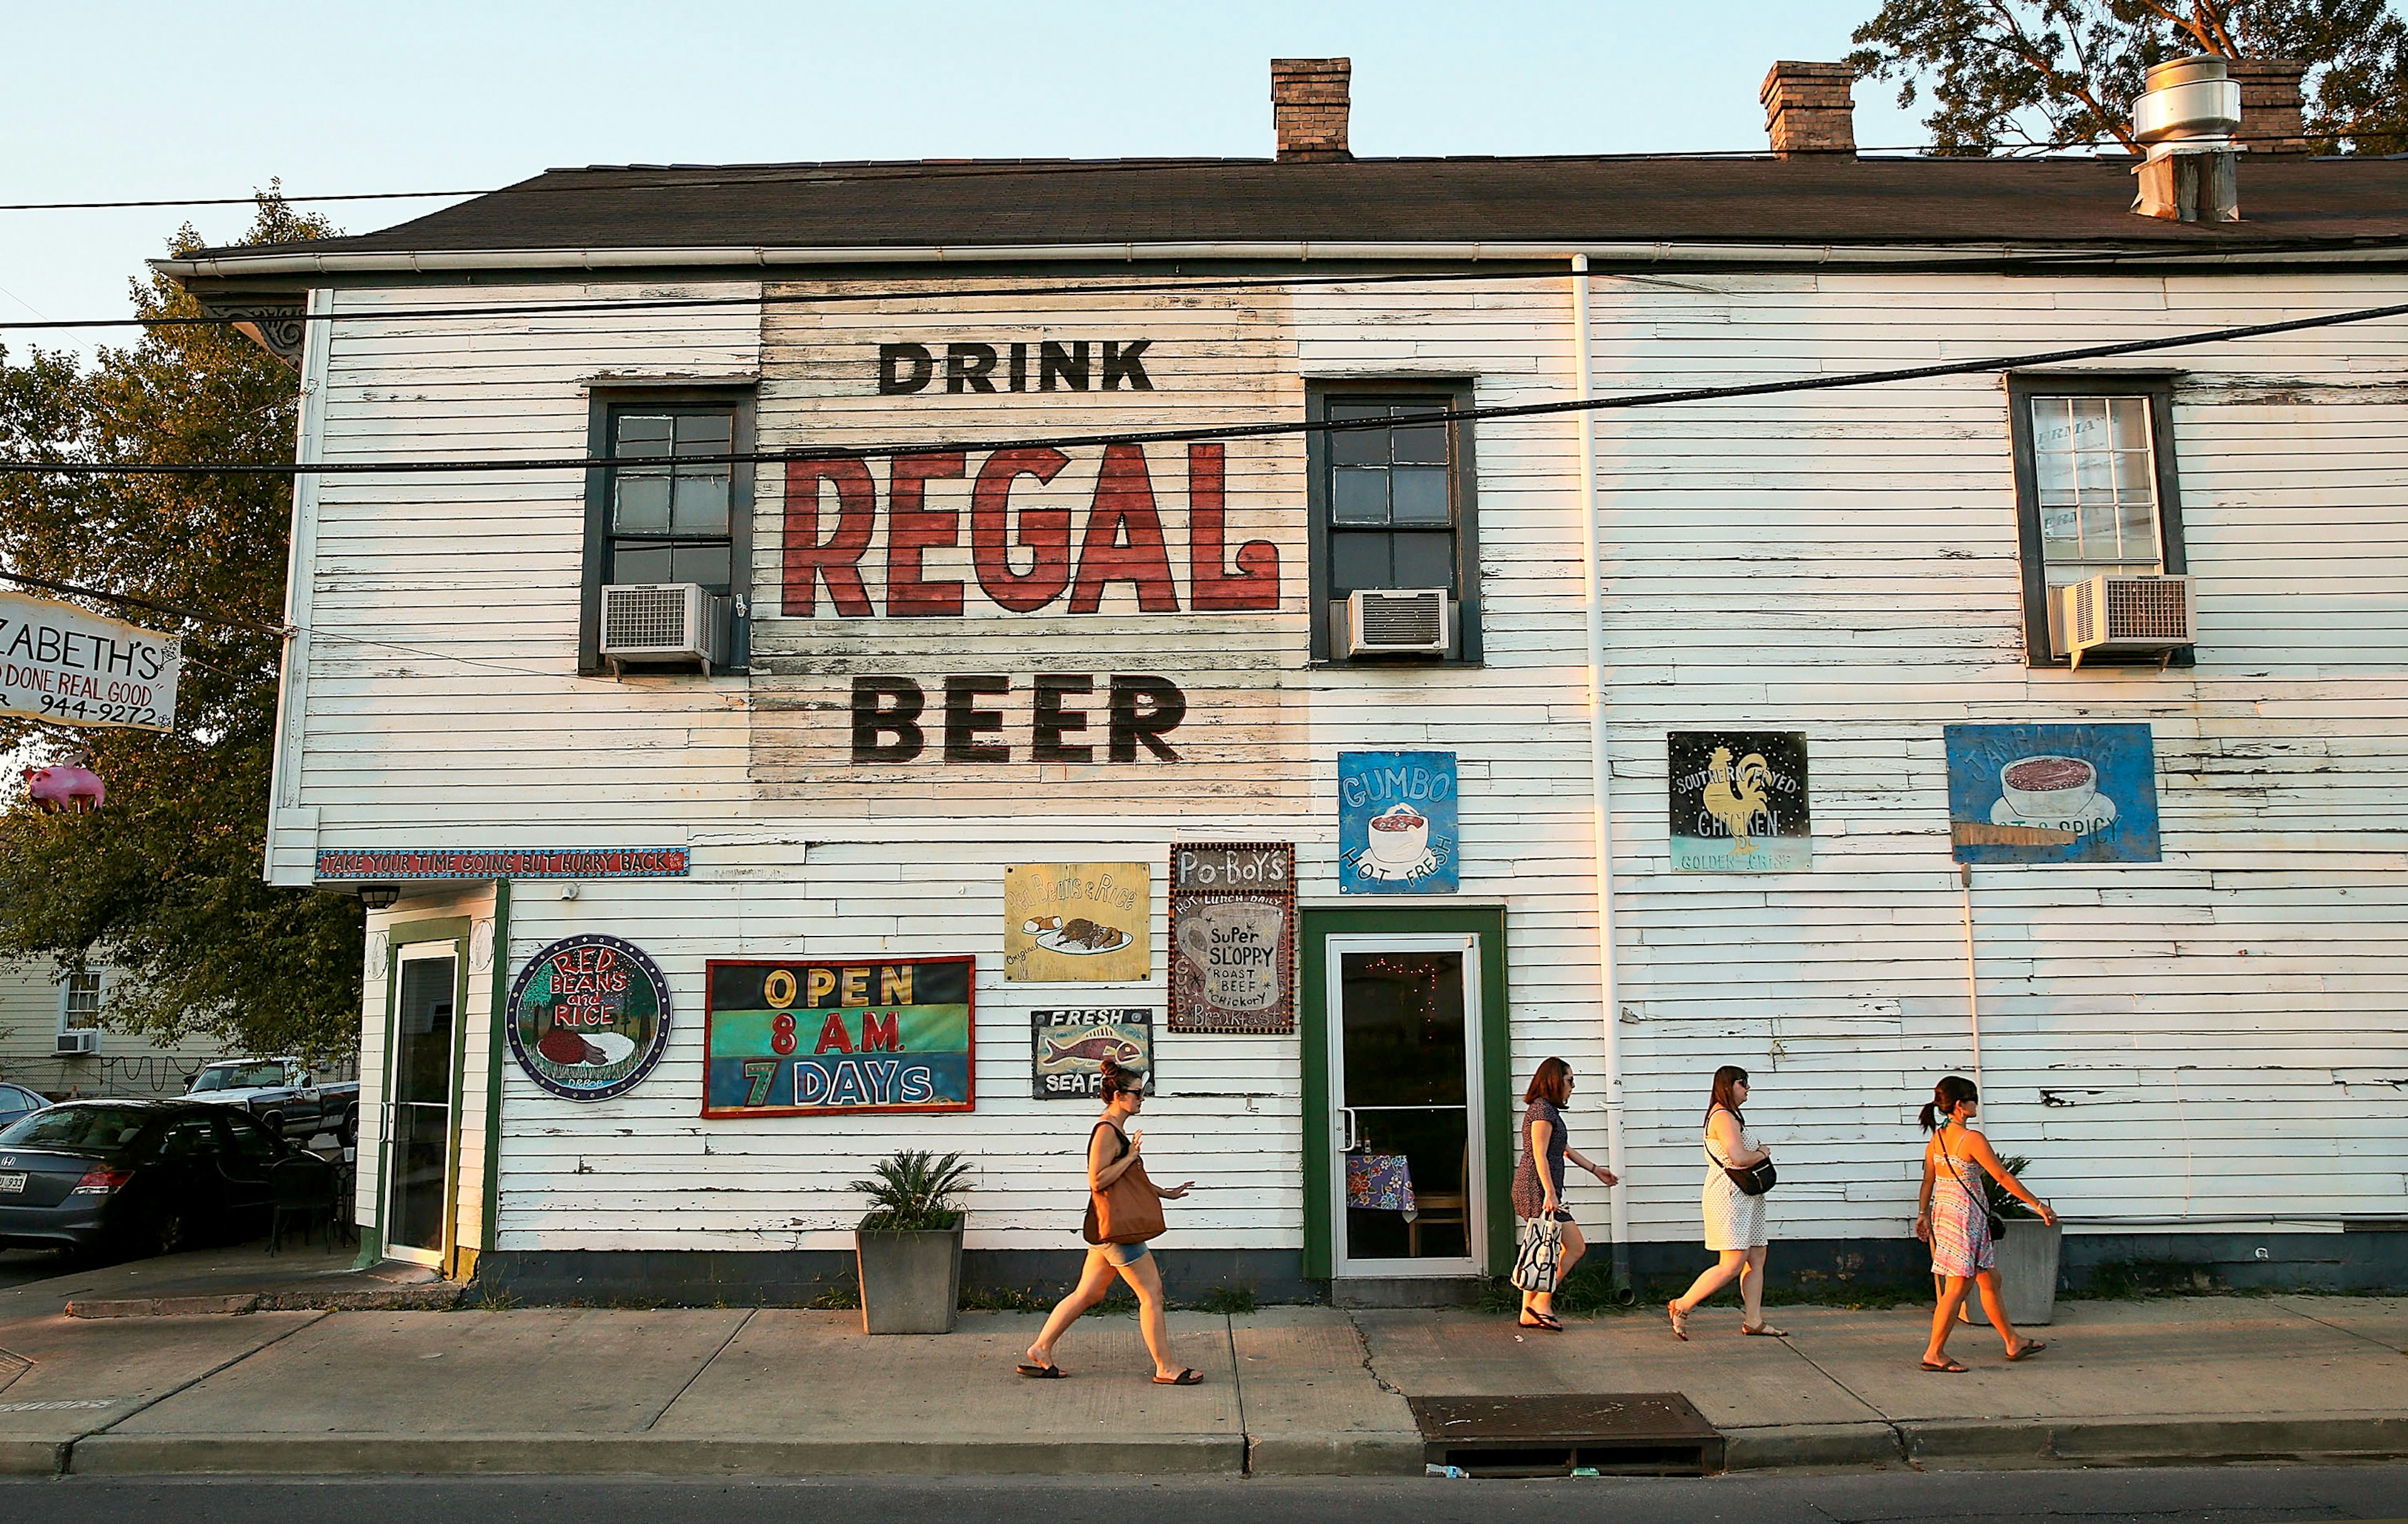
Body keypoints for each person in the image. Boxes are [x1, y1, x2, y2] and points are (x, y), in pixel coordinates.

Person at [1020, 1059, 1199, 1384]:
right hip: (1118, 1233)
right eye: (1136, 1093)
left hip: (1109, 1230)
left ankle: (1041, 1348)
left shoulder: (1116, 1130)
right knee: (1151, 1294)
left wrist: (1165, 1193)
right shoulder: (1106, 1131)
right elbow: (1098, 1180)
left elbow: (1126, 1182)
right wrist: (1130, 1156)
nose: (1142, 1099)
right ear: (1118, 1095)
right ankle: (1166, 1367)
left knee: (1088, 1293)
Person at [1916, 1075, 2057, 1372]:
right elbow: (2002, 1177)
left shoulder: (1937, 1139)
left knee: (1989, 1280)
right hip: (1966, 1217)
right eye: (1973, 1098)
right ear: (1960, 1105)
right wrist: (2038, 1205)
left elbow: (1929, 1179)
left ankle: (2012, 1341)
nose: (1976, 1104)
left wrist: (1923, 1215)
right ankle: (1934, 1353)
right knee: (1958, 1286)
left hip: (1947, 1214)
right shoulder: (1972, 1139)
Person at [1668, 1065, 1781, 1340]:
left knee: (1757, 1256)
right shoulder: (1723, 1117)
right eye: (1743, 1084)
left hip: (1746, 1198)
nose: (1748, 1089)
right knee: (1731, 1264)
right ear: (1729, 1086)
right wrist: (1764, 1152)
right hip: (1729, 1199)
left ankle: (1754, 1320)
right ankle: (1682, 1306)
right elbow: (1740, 1158)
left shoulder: (1731, 1116)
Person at [1509, 1057, 1619, 1330]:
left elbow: (1564, 1149)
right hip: (1535, 1189)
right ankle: (1542, 1303)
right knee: (1575, 1247)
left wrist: (1595, 1169)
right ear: (1554, 1080)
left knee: (1543, 1246)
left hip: (1542, 1188)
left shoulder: (1548, 1111)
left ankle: (1528, 1310)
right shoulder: (1542, 1112)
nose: (1573, 1086)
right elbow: (1539, 1154)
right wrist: (1549, 1193)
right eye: (1570, 1080)